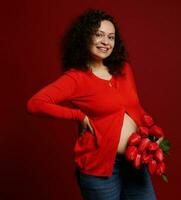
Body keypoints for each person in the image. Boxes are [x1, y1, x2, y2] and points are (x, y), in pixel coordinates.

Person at [26, 9, 162, 200]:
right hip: (101, 169)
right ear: (85, 38)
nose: (106, 42)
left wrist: (152, 133)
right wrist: (78, 116)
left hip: (136, 161)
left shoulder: (123, 69)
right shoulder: (75, 79)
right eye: (99, 35)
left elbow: (134, 107)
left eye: (111, 37)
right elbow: (35, 104)